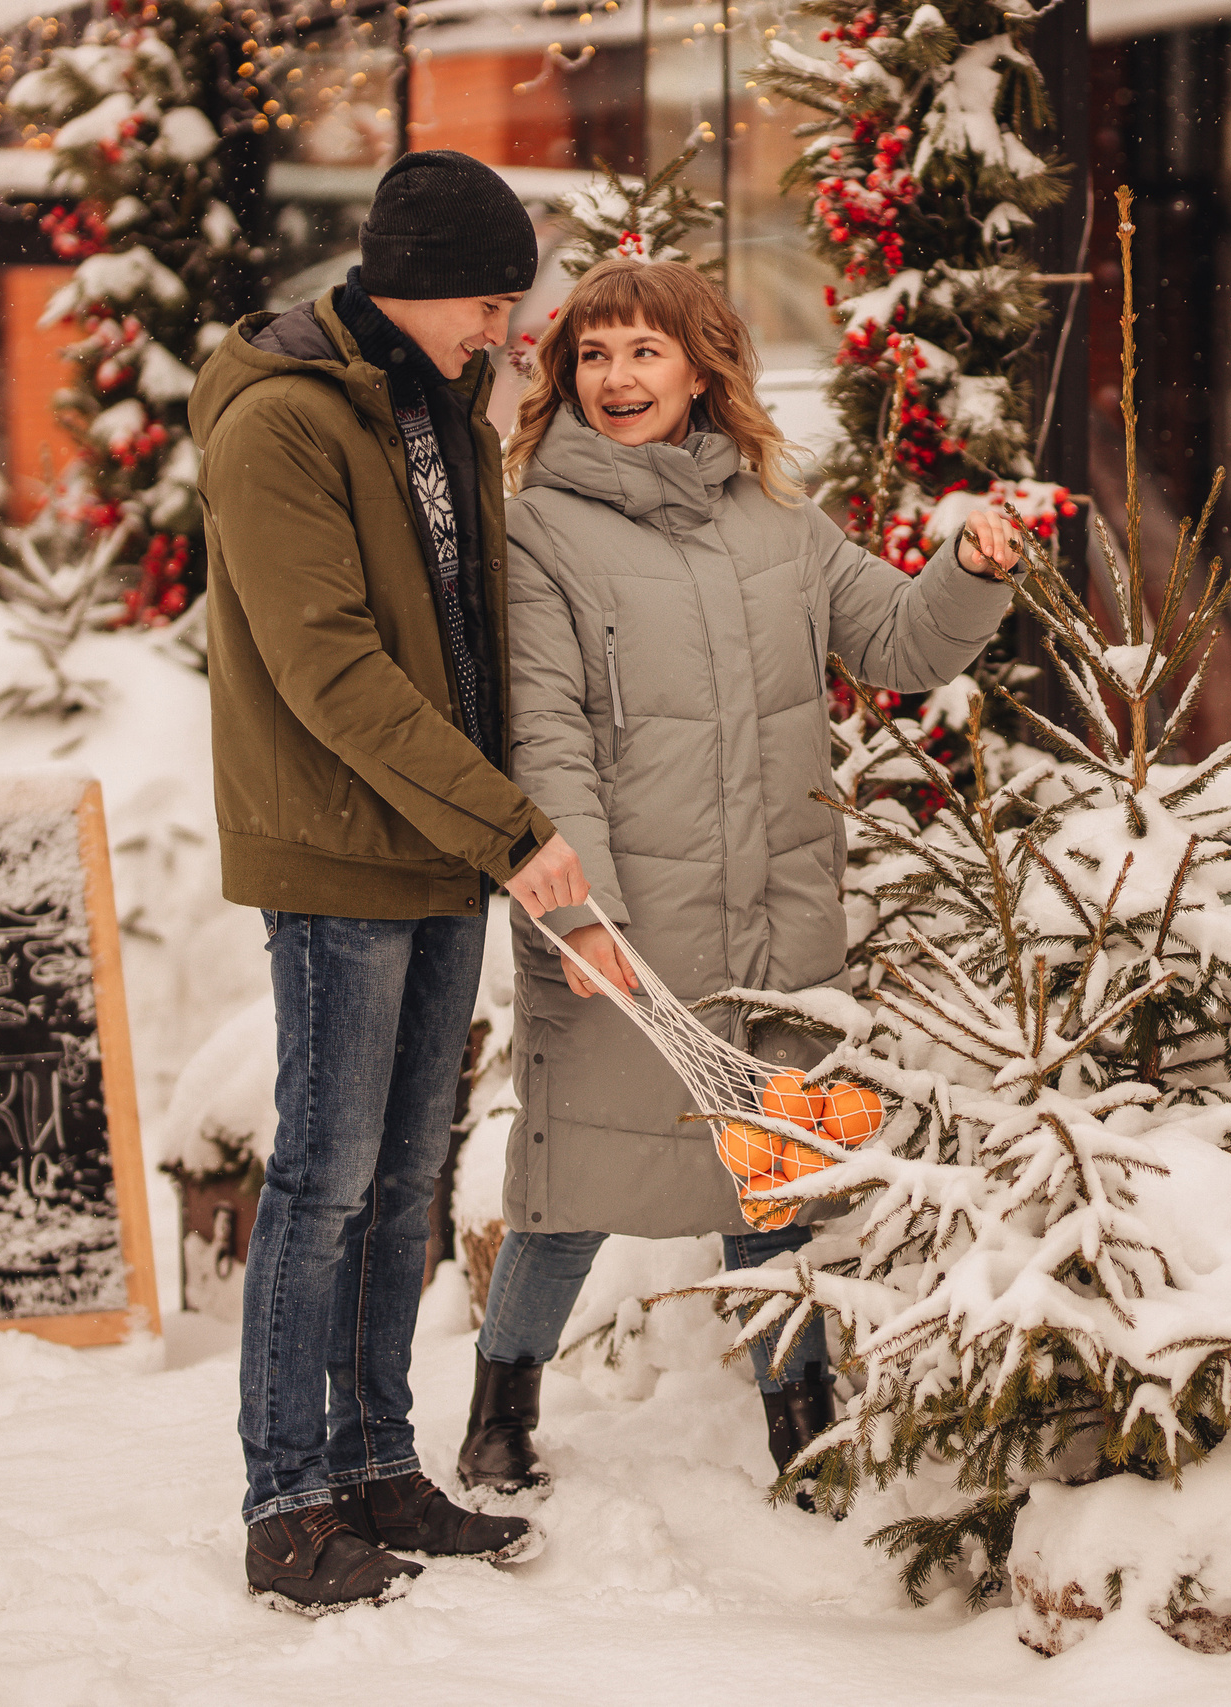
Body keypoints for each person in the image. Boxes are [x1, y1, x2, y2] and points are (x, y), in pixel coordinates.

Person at [456, 257, 1025, 1502]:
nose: (617, 378)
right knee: (572, 1174)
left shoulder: (779, 517)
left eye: (644, 352)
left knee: (771, 1169)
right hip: (626, 910)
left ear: (702, 366)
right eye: (593, 355)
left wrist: (970, 573)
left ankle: (799, 1404)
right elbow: (543, 728)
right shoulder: (538, 529)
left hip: (773, 897)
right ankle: (502, 1403)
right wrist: (580, 915)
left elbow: (894, 642)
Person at [191, 149, 601, 1614]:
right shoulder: (284, 423)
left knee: (406, 1173)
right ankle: (287, 1498)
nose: (508, 329)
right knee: (323, 1175)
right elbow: (332, 670)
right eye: (493, 300)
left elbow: (462, 629)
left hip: (440, 844)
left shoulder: (437, 403)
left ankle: (374, 1462)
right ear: (421, 284)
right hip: (340, 844)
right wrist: (506, 818)